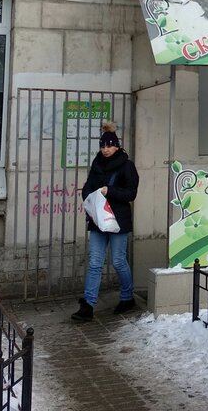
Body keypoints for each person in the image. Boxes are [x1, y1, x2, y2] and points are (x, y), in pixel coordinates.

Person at [72, 121, 140, 321]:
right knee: (94, 262)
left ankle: (127, 297)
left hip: (118, 220)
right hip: (98, 219)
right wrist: (89, 196)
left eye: (109, 145)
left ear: (117, 146)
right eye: (103, 146)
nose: (106, 149)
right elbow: (87, 186)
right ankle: (88, 305)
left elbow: (131, 193)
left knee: (118, 261)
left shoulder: (127, 166)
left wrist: (109, 191)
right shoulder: (97, 164)